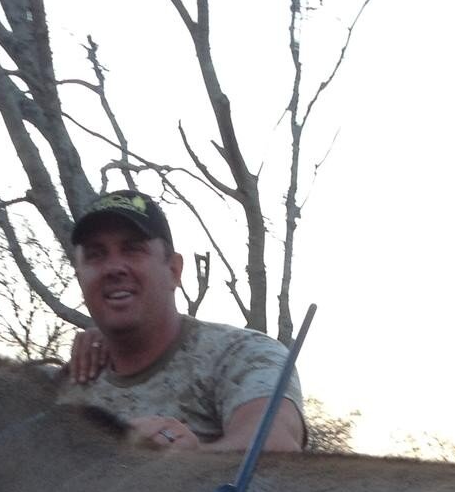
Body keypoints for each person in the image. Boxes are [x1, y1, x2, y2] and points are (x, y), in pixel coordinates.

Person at [59, 190, 304, 453]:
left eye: (133, 249)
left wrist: (187, 461)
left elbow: (275, 447)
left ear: (174, 271)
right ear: (80, 278)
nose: (113, 268)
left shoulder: (244, 354)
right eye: (96, 255)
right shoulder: (62, 389)